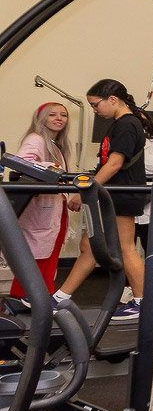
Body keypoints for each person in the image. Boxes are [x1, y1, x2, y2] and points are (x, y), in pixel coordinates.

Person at [53, 79, 152, 319]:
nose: (95, 110)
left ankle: (142, 302)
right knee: (89, 246)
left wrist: (85, 191)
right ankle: (60, 297)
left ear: (113, 100)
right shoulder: (120, 123)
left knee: (126, 248)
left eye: (96, 105)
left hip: (121, 194)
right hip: (112, 193)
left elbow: (115, 164)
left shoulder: (127, 124)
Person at [9, 102, 72, 301]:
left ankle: (42, 299)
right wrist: (53, 167)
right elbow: (21, 163)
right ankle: (20, 299)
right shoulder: (35, 139)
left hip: (55, 208)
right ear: (41, 119)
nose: (59, 118)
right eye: (52, 114)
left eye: (63, 115)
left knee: (49, 258)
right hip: (40, 209)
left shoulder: (56, 144)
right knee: (36, 259)